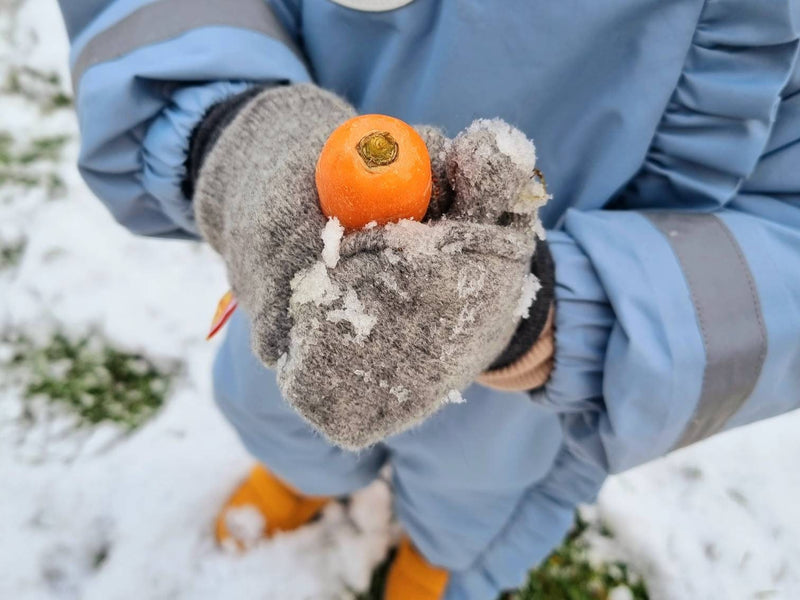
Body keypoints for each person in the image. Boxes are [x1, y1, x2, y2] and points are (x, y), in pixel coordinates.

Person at [57, 1, 800, 598]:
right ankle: (298, 476)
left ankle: (439, 559)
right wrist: (239, 131)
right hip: (307, 254)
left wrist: (555, 314)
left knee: (480, 478)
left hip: (545, 358)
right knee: (288, 396)